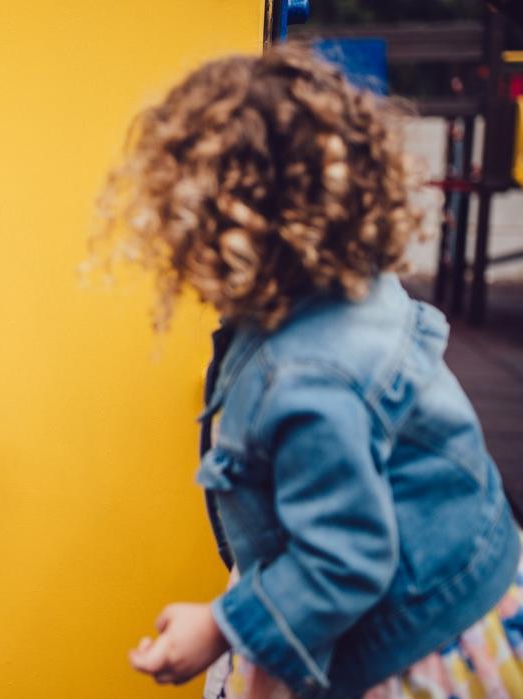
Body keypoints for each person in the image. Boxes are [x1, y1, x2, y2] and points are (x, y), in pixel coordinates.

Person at [94, 47, 523, 698]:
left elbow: (346, 556)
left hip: (409, 636)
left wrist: (218, 624)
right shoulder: (357, 288)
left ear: (222, 229)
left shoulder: (305, 376)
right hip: (469, 568)